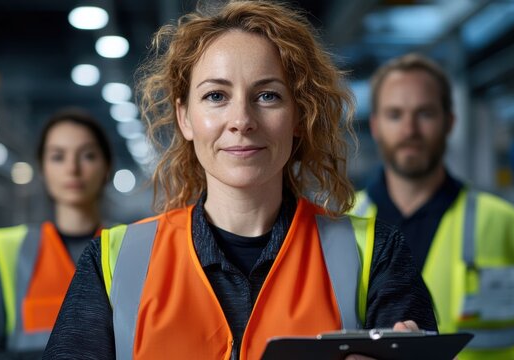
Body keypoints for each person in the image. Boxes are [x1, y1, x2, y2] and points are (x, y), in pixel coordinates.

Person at [43, 2, 437, 359]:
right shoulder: (113, 262)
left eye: (267, 96)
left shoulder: (376, 255)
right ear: (185, 118)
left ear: (299, 116)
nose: (242, 121)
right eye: (216, 96)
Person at [352, 53, 514, 359]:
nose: (410, 129)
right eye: (395, 114)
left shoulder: (512, 228)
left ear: (449, 122)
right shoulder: (336, 227)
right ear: (375, 126)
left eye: (424, 113)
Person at [0, 108, 113, 359]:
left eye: (88, 155)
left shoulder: (131, 250)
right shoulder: (4, 252)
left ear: (107, 167)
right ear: (43, 169)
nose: (72, 168)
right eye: (58, 156)